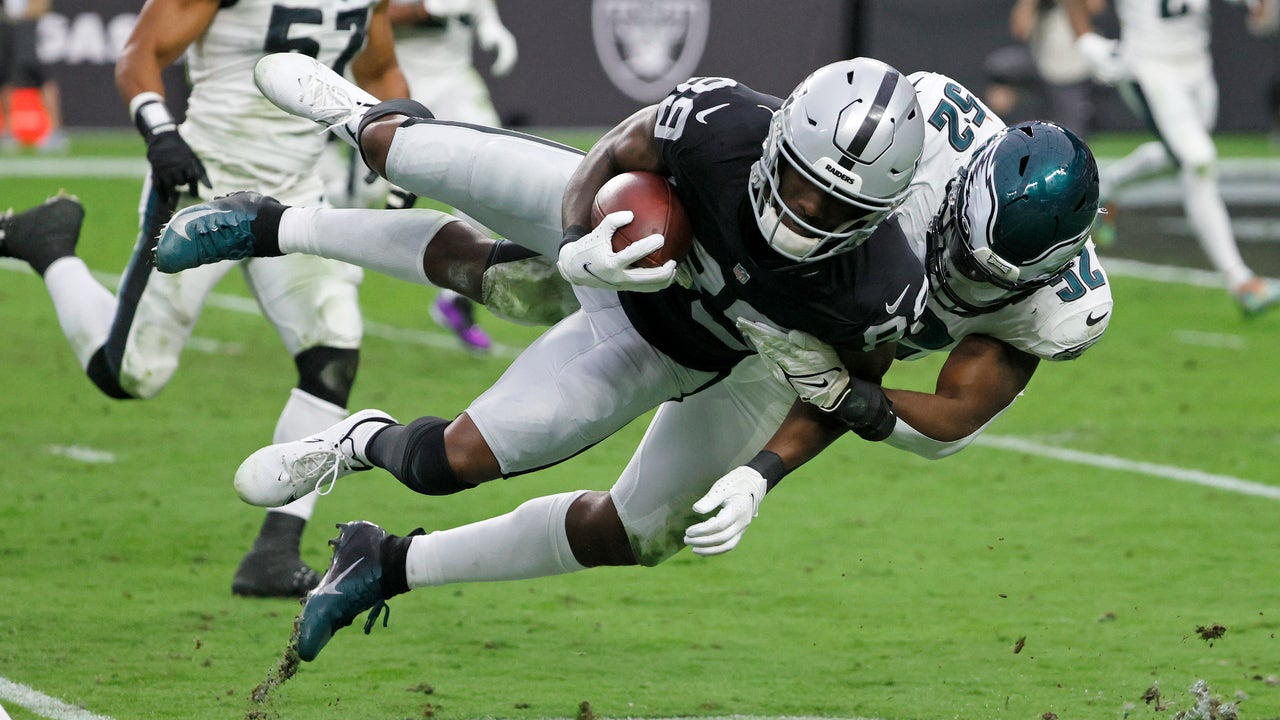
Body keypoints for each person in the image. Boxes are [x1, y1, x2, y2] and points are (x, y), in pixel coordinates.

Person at [159, 53, 932, 660]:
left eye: (838, 209)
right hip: (605, 233)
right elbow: (616, 150)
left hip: (669, 349)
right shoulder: (724, 123)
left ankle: (359, 447)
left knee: (449, 465)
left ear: (880, 214)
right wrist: (574, 246)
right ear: (781, 139)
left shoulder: (880, 288)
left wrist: (764, 475)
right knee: (399, 151)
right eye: (799, 183)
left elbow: (846, 394)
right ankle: (292, 195)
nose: (805, 212)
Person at [0, 0, 409, 599]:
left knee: (333, 349)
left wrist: (401, 155)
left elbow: (381, 71)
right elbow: (141, 53)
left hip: (296, 194)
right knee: (132, 374)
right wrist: (159, 130)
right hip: (205, 184)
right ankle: (46, 246)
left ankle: (274, 551)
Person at [319, 0, 517, 351]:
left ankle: (455, 292)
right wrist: (422, 9)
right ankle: (307, 211)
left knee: (495, 174)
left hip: (455, 78)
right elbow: (363, 14)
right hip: (398, 79)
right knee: (365, 198)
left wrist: (490, 24)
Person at [1064, 0, 1280, 317]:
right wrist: (1085, 39)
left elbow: (1260, 17)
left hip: (1197, 67)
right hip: (1149, 68)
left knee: (1181, 156)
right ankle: (1241, 281)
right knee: (1198, 162)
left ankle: (1107, 186)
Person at [982, 0, 1103, 138]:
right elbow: (1020, 31)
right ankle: (995, 132)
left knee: (1069, 138)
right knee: (1001, 68)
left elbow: (1096, 8)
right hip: (1039, 65)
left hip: (1072, 75)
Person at [0, 0, 68, 151]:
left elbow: (42, 6)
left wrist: (22, 14)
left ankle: (56, 132)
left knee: (40, 76)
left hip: (29, 27)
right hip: (6, 27)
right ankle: (8, 133)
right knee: (5, 78)